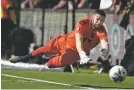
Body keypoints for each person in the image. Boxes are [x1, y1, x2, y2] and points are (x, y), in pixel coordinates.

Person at [10, 9, 109, 69]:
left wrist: (105, 49)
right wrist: (82, 54)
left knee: (51, 65)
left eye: (102, 21)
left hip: (73, 54)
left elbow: (104, 41)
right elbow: (78, 40)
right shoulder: (83, 23)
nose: (99, 22)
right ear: (92, 17)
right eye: (98, 19)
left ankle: (51, 59)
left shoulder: (101, 30)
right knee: (43, 49)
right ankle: (22, 58)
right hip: (64, 42)